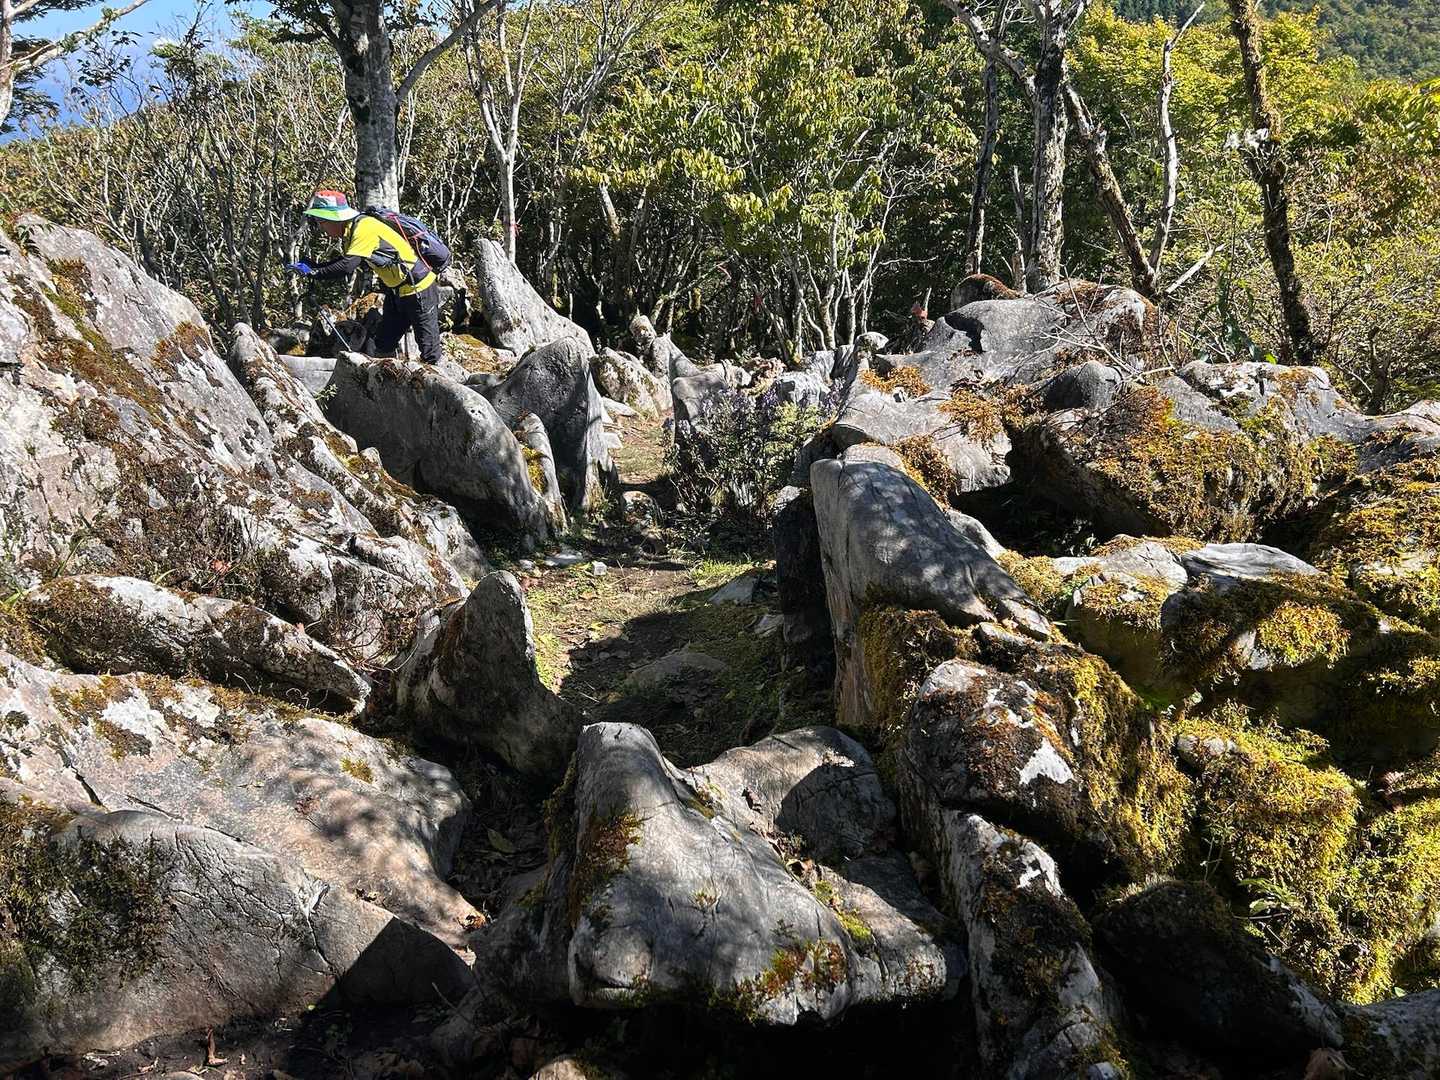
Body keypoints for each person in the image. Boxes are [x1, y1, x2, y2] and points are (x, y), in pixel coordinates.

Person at [291, 190, 442, 364]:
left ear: (335, 218)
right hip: (397, 291)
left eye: (321, 221)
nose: (321, 227)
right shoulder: (351, 230)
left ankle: (437, 380)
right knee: (383, 344)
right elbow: (348, 260)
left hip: (419, 289)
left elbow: (347, 266)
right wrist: (315, 267)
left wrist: (315, 272)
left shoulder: (364, 227)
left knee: (429, 350)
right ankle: (388, 380)